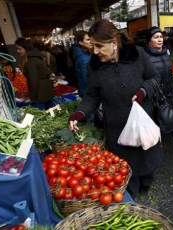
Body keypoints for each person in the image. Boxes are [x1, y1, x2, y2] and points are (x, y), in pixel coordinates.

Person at [68, 20, 163, 199]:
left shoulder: (138, 54)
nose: (95, 51)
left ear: (114, 42)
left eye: (99, 46)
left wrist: (143, 91)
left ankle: (147, 182)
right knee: (127, 165)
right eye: (92, 45)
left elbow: (154, 77)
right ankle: (132, 192)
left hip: (143, 119)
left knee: (148, 154)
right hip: (117, 127)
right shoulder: (94, 67)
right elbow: (91, 96)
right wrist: (80, 113)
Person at [144, 26, 173, 154]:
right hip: (155, 95)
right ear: (149, 41)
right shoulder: (145, 57)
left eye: (160, 37)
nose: (159, 40)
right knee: (156, 121)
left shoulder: (165, 52)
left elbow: (168, 73)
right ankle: (156, 148)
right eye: (155, 37)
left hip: (169, 93)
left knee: (172, 118)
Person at [15, 37, 54, 110]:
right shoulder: (35, 57)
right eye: (17, 49)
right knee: (51, 112)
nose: (18, 51)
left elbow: (33, 80)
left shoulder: (31, 61)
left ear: (26, 48)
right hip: (46, 89)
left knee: (41, 116)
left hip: (40, 93)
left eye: (20, 49)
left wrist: (33, 96)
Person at [72, 30, 92, 98]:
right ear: (81, 42)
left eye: (90, 39)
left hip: (85, 91)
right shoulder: (84, 58)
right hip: (88, 92)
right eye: (88, 40)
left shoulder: (83, 54)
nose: (91, 42)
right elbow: (87, 78)